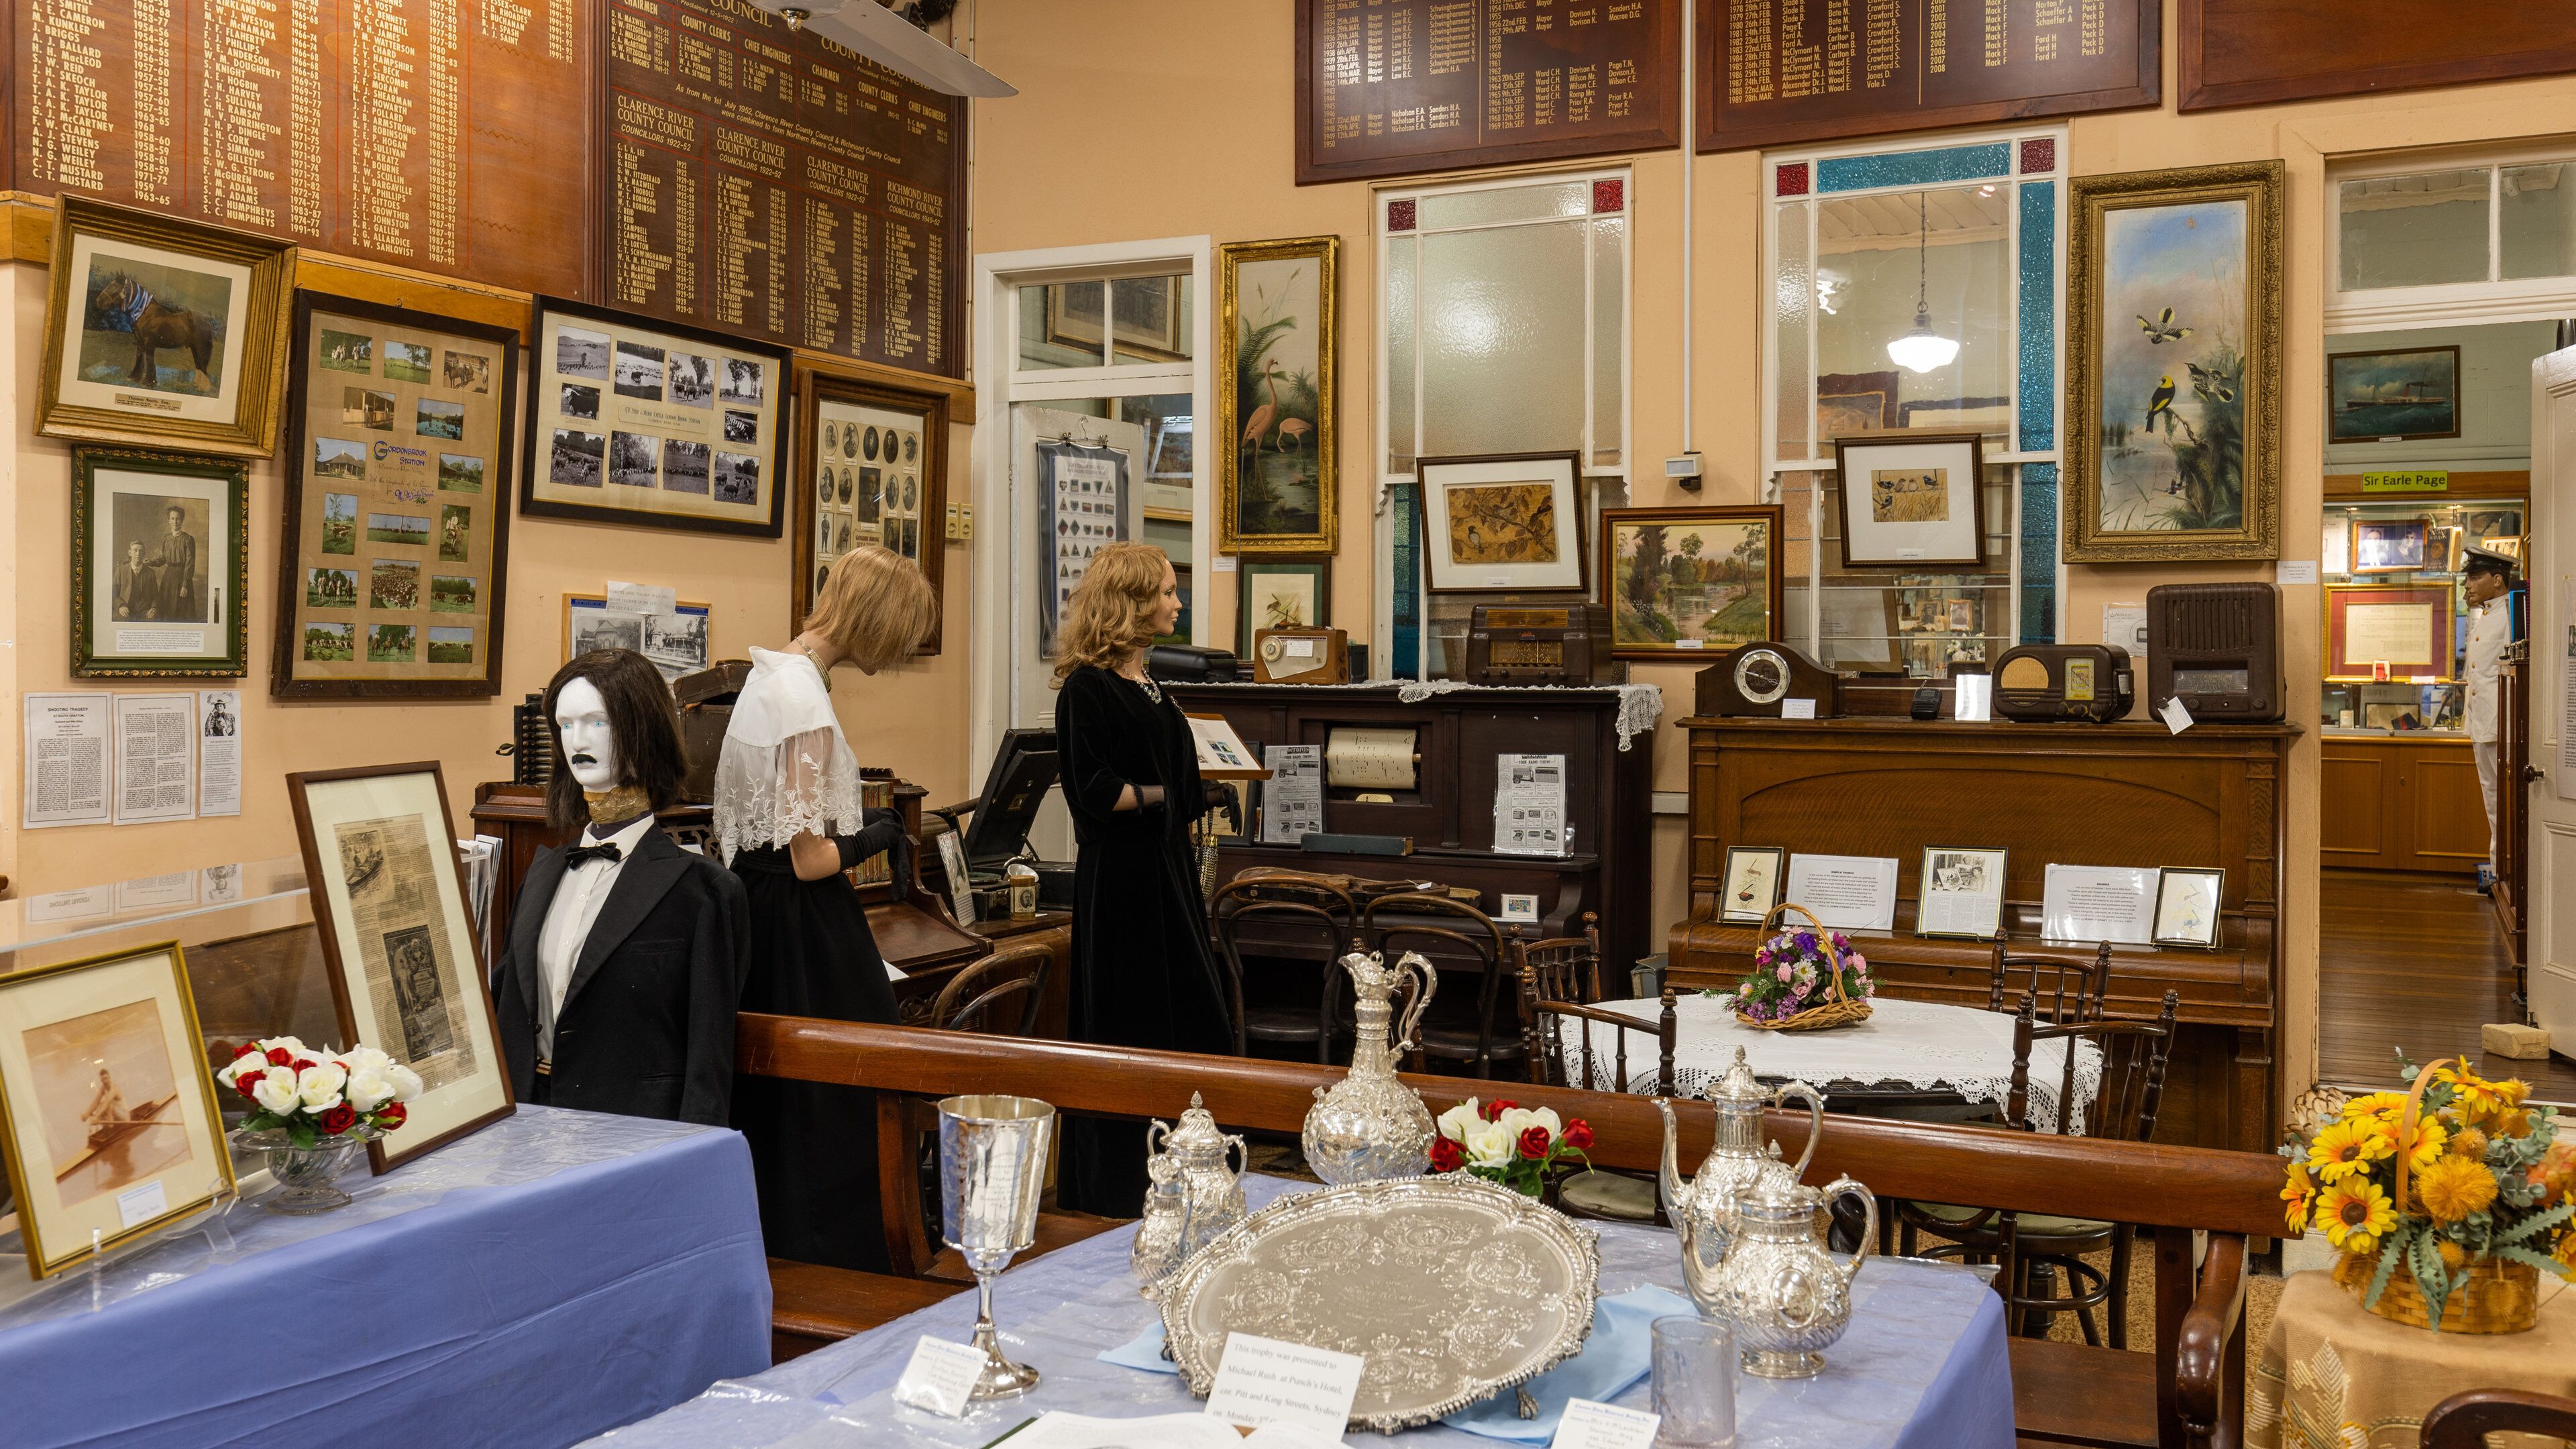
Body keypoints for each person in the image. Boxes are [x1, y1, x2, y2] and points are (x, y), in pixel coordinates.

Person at [714, 545, 937, 1271]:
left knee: (784, 1110)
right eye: (902, 632)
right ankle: (847, 1264)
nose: (903, 651)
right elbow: (810, 858)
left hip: (757, 909)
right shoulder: (804, 696)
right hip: (803, 924)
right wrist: (878, 833)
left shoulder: (771, 673)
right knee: (846, 1095)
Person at [1051, 541, 1234, 1216]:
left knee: (1194, 1021)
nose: (1176, 603)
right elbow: (1093, 791)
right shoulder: (1086, 689)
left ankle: (1193, 1182)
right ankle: (1119, 1192)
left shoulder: (1154, 686)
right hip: (1122, 887)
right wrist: (1164, 796)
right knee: (1130, 1028)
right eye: (1165, 592)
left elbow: (1172, 782)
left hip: (1168, 876)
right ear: (1130, 600)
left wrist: (1196, 795)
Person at [494, 649, 749, 1124]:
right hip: (524, 1126)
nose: (578, 741)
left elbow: (708, 1064)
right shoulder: (541, 874)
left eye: (597, 722)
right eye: (566, 725)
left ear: (641, 728)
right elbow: (504, 1008)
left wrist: (691, 1160)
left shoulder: (703, 893)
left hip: (634, 1136)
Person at [2461, 545, 2517, 893]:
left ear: (2498, 581)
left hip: (2501, 725)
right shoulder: (2486, 615)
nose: (2468, 585)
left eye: (2475, 577)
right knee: (2492, 798)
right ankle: (2499, 870)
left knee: (2505, 799)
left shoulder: (2513, 615)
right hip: (2483, 725)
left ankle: (2507, 871)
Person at [148, 504, 201, 622]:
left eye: (178, 519)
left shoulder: (188, 539)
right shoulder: (166, 539)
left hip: (183, 577)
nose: (175, 522)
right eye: (172, 518)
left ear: (182, 520)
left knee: (181, 610)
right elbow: (163, 558)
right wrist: (151, 562)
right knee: (166, 608)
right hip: (168, 577)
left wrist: (185, 584)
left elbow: (190, 563)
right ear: (169, 520)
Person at [113, 539, 155, 621]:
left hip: (144, 611)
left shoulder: (151, 573)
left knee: (153, 621)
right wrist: (120, 606)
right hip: (126, 609)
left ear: (144, 554)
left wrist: (154, 608)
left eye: (141, 551)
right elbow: (114, 594)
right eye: (135, 551)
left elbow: (155, 596)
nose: (138, 554)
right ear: (130, 553)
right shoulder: (121, 571)